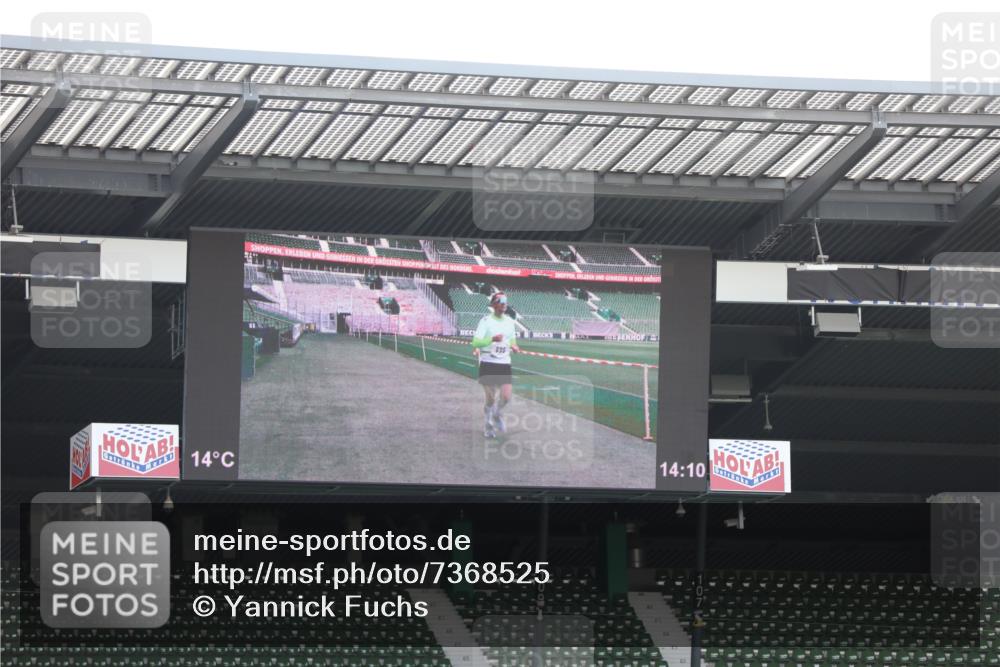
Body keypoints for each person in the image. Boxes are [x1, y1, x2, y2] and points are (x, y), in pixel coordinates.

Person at [471, 292, 519, 438]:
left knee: (506, 397)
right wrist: (491, 339)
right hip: (488, 362)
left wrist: (515, 346)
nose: (504, 303)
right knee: (490, 399)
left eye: (505, 301)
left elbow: (512, 340)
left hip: (504, 362)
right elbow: (476, 342)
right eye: (501, 301)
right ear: (494, 304)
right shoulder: (485, 321)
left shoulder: (510, 322)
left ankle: (497, 414)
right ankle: (488, 425)